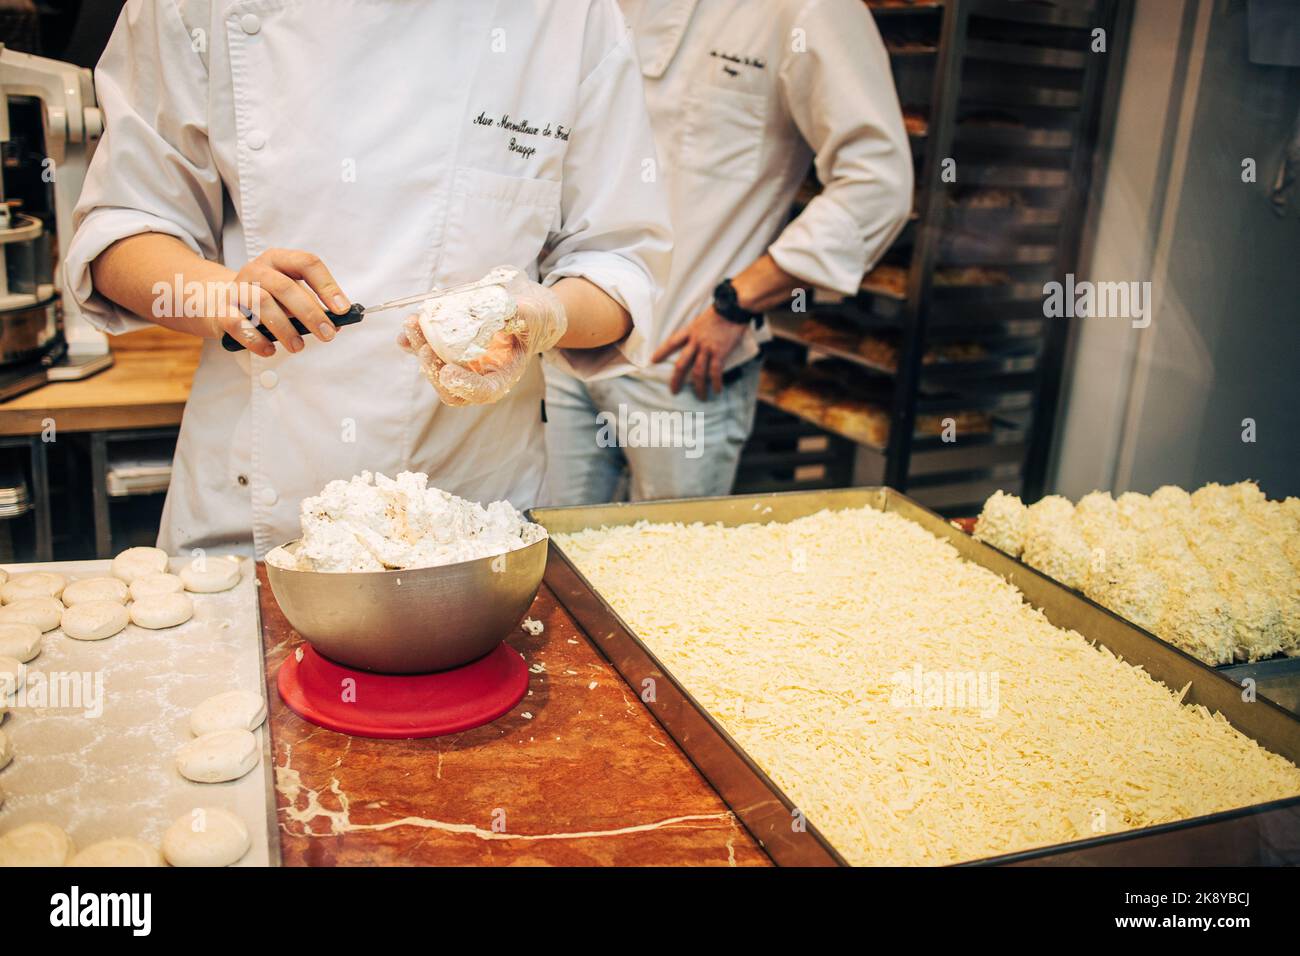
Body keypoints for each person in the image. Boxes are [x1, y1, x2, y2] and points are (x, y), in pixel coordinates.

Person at [66, 0, 671, 557]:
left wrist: (544, 317)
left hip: (469, 521)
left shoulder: (567, 17)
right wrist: (224, 297)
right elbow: (121, 232)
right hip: (253, 520)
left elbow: (620, 266)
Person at [543, 0, 912, 504]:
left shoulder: (809, 9)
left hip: (683, 362)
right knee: (551, 551)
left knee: (665, 567)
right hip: (565, 343)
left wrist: (737, 301)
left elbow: (878, 181)